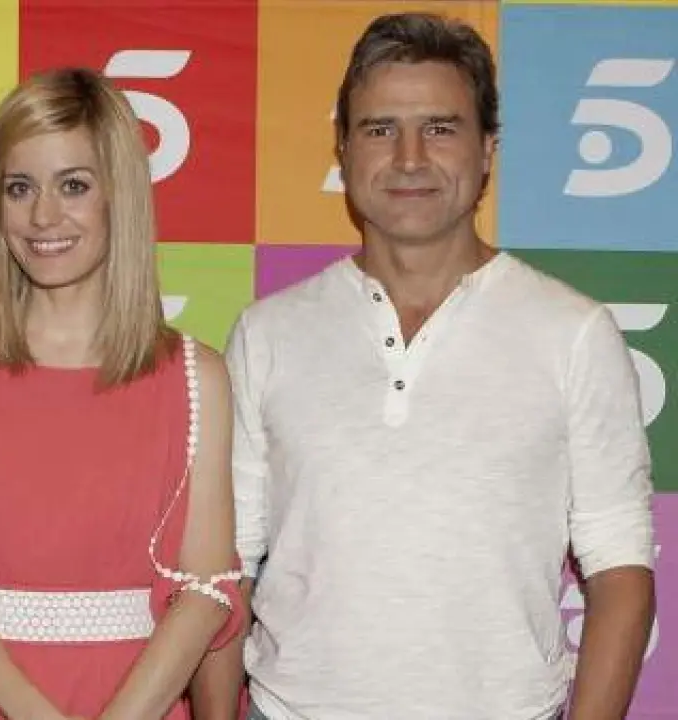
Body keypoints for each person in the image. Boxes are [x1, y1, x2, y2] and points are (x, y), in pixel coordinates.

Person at [215, 12, 656, 720]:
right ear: (343, 150)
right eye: (380, 129)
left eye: (440, 128)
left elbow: (620, 570)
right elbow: (225, 567)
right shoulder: (267, 334)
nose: (409, 158)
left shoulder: (574, 333)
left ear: (488, 150)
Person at [0, 67, 245, 719]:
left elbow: (203, 589)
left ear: (120, 197)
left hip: (139, 702)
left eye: (73, 185)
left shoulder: (197, 377)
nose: (43, 216)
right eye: (19, 188)